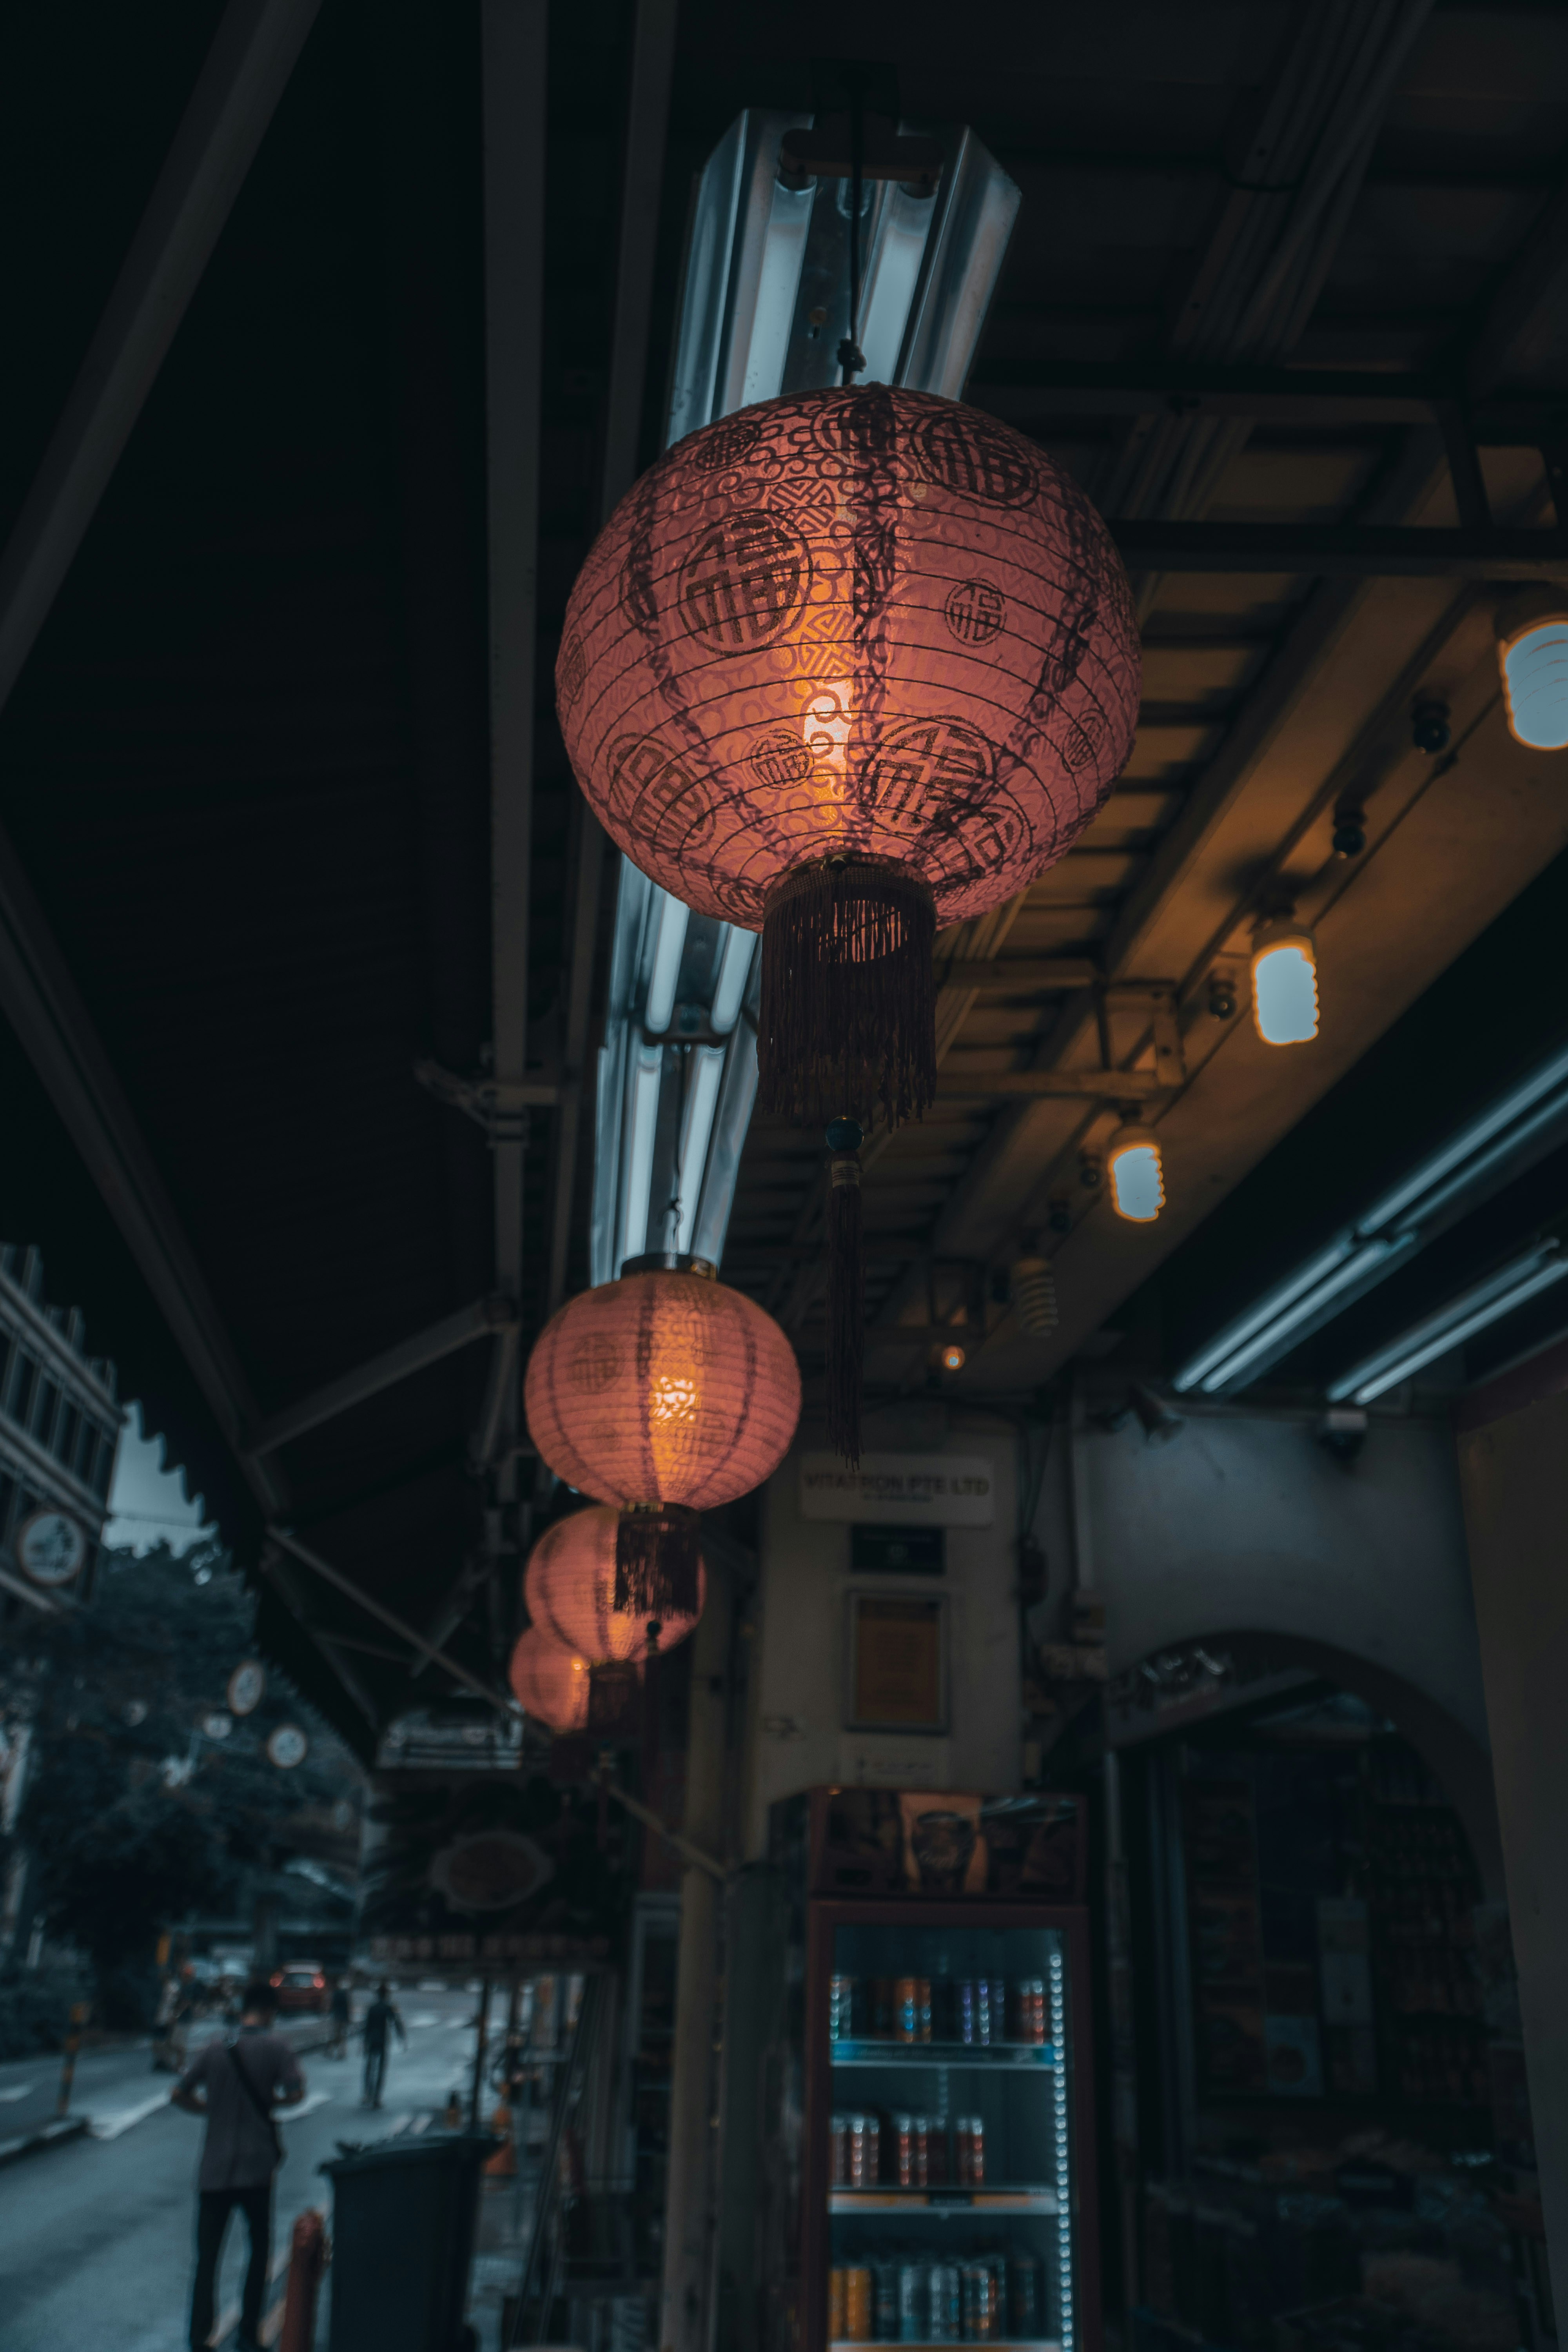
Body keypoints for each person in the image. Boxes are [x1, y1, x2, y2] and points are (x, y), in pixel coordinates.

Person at [172, 1976, 305, 2352]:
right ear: (269, 2012)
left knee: (207, 2259)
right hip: (256, 2169)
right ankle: (248, 2335)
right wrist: (269, 2105)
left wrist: (208, 2109)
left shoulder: (214, 2049)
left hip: (213, 2170)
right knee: (258, 2251)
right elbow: (297, 2093)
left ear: (243, 2008)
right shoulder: (278, 2049)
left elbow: (178, 2094)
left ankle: (198, 2338)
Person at [360, 1980, 405, 2108]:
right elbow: (396, 2023)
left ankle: (367, 2094)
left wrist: (364, 2043)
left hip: (371, 2041)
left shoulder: (372, 2008)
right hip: (383, 2041)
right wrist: (402, 2038)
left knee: (369, 2068)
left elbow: (367, 2027)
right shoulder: (388, 2007)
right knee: (380, 2070)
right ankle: (377, 2098)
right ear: (387, 1995)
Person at [328, 1975, 352, 2058]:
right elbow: (347, 2006)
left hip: (337, 2017)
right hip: (342, 2017)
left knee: (337, 2035)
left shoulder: (335, 1994)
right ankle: (340, 2053)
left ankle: (334, 2052)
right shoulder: (343, 1993)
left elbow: (332, 2007)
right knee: (341, 2035)